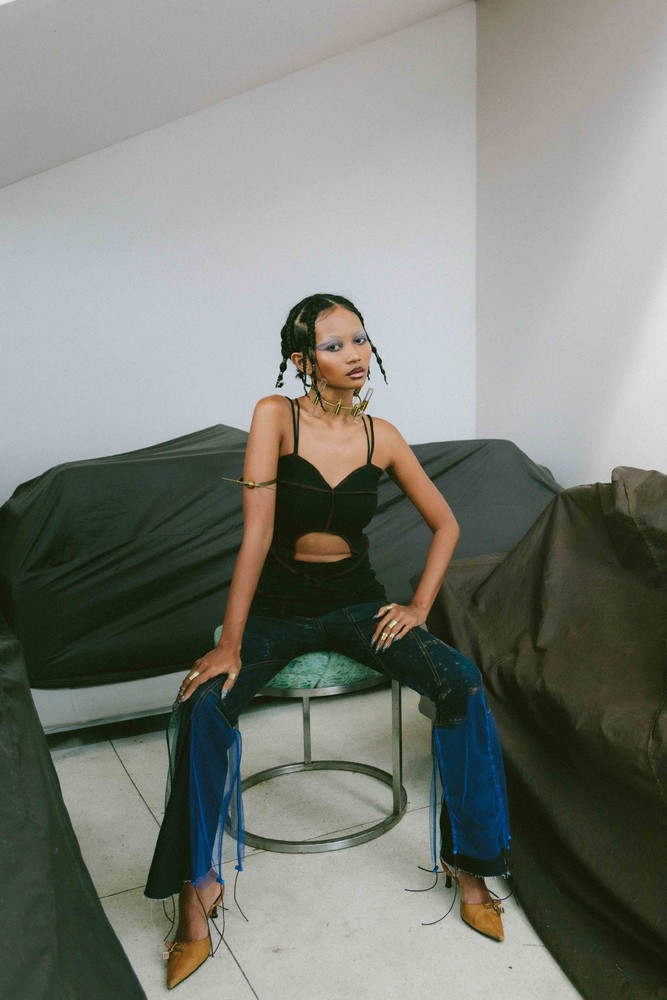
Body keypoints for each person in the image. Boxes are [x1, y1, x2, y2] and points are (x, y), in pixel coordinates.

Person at [145, 293, 511, 989]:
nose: (355, 353)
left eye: (361, 339)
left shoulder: (383, 436)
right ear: (301, 359)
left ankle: (469, 866)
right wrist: (231, 642)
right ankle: (196, 892)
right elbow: (255, 533)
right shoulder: (274, 416)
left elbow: (447, 525)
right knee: (201, 705)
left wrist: (418, 607)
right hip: (276, 610)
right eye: (335, 344)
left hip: (355, 605)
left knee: (461, 681)